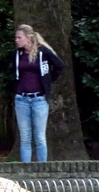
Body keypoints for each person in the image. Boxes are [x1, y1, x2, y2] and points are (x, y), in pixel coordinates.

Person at [12, 24, 66, 162]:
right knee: (25, 137)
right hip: (21, 99)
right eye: (16, 37)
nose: (16, 40)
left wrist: (48, 80)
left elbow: (59, 65)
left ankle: (42, 170)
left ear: (28, 38)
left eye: (19, 37)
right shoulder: (17, 55)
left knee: (40, 137)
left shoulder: (43, 53)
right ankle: (26, 171)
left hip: (39, 100)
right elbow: (14, 73)